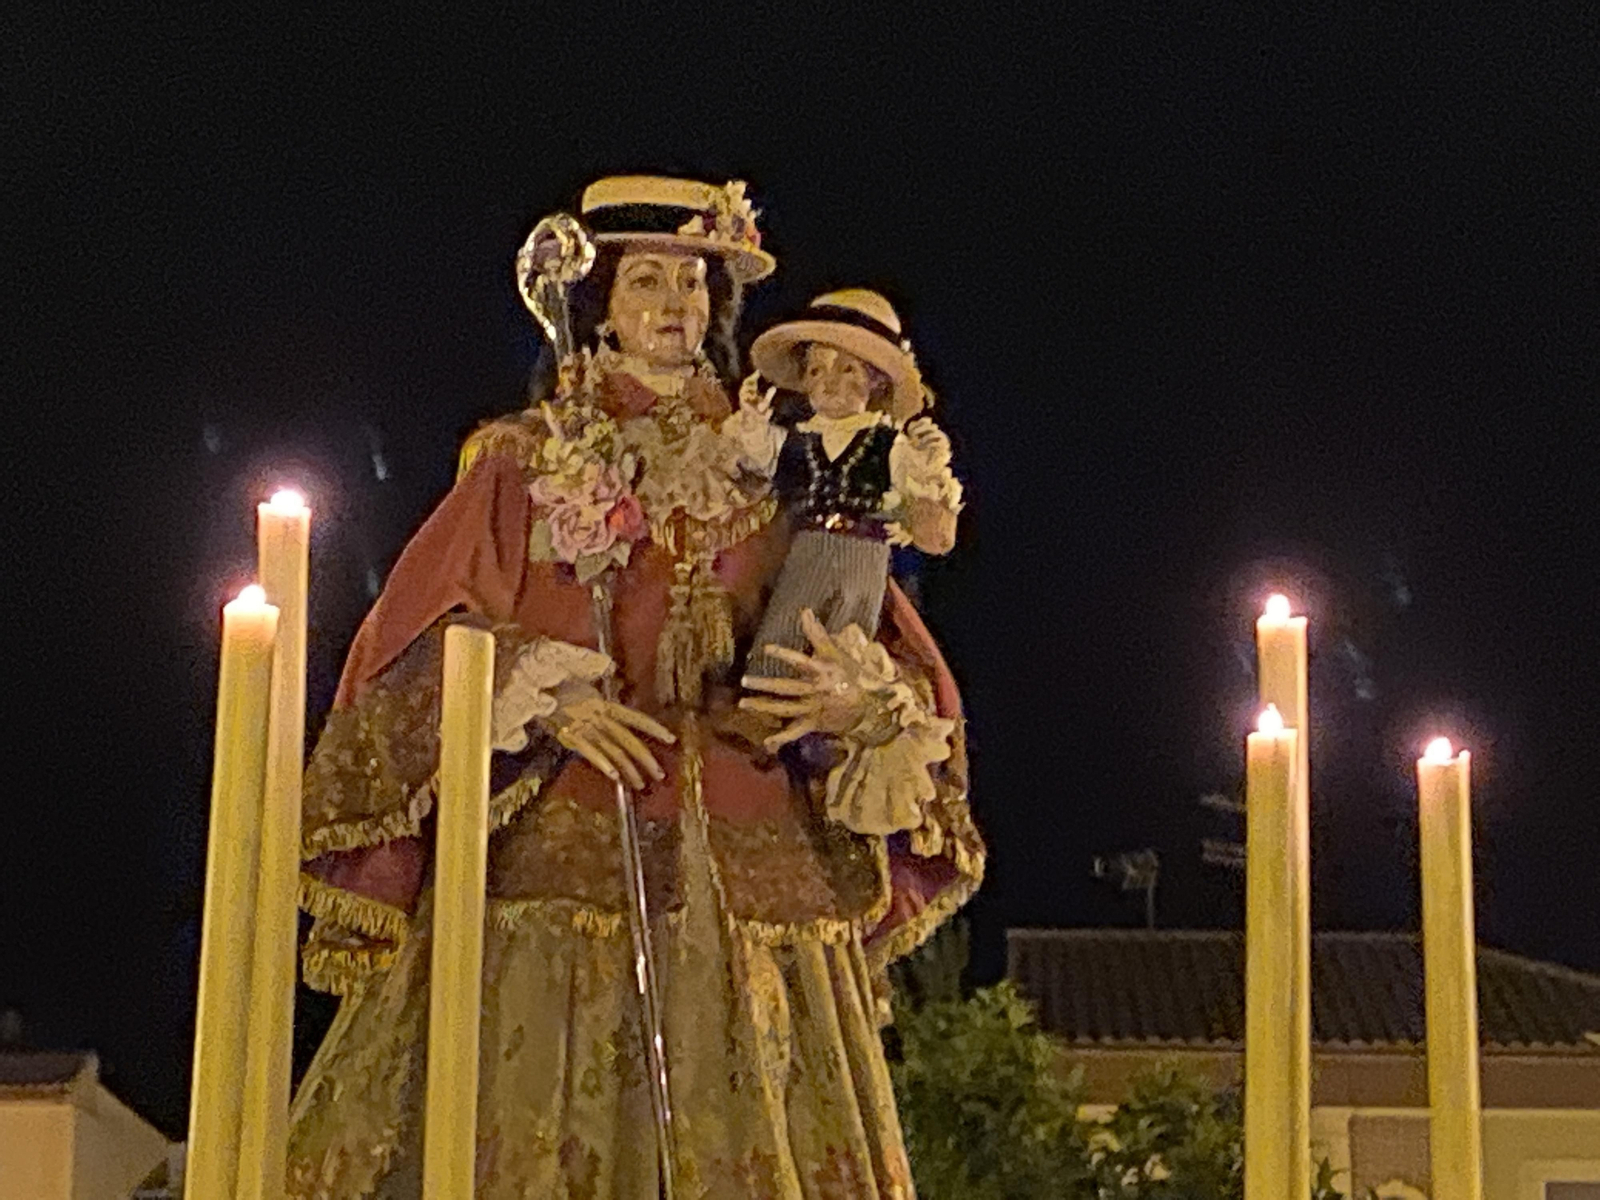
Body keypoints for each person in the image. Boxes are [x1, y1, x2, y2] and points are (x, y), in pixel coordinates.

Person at [285, 175, 983, 1199]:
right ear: (600, 303)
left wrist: (856, 706)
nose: (673, 304)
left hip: (748, 855)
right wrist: (544, 692)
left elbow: (869, 636)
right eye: (647, 280)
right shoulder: (526, 458)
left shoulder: (784, 469)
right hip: (562, 851)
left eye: (693, 286)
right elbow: (426, 628)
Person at [741, 290, 962, 681]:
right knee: (787, 628)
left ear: (875, 379)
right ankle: (768, 696)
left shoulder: (887, 444)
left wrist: (930, 464)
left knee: (849, 643)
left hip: (864, 553)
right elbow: (758, 455)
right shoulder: (800, 438)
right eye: (817, 371)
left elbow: (929, 516)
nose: (829, 383)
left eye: (846, 369)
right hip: (808, 548)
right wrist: (752, 422)